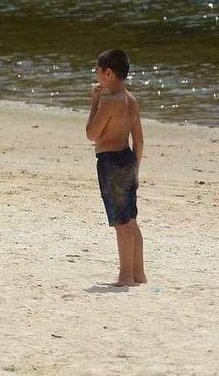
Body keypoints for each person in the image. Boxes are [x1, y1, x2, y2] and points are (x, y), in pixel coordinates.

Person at [86, 49, 146, 286]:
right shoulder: (131, 100)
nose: (97, 75)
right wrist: (137, 169)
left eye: (98, 71)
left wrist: (94, 103)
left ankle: (125, 276)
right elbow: (139, 140)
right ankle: (138, 274)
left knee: (121, 223)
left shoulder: (109, 102)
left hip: (111, 162)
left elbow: (91, 133)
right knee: (130, 219)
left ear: (108, 73)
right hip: (129, 159)